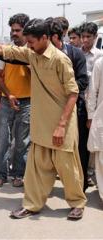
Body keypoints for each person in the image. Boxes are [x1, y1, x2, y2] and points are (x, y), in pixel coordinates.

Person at [0, 18, 87, 220]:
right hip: (41, 124)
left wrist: (62, 125)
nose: (28, 45)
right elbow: (4, 50)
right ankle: (32, 204)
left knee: (67, 168)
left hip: (60, 125)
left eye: (32, 42)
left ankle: (77, 203)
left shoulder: (61, 60)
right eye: (27, 42)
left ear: (45, 38)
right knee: (36, 169)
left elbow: (73, 93)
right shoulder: (31, 54)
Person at [47, 18, 89, 192]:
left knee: (77, 149)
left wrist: (65, 91)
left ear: (58, 36)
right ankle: (47, 187)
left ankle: (80, 187)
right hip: (49, 110)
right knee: (50, 149)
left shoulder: (74, 54)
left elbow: (83, 81)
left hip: (73, 109)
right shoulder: (41, 56)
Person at [0, 13, 31, 188]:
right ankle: (1, 174)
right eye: (12, 30)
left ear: (26, 31)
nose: (14, 33)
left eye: (18, 30)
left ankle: (18, 174)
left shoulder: (32, 52)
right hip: (8, 101)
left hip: (28, 102)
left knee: (22, 141)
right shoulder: (5, 51)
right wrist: (9, 95)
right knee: (2, 139)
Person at [80, 22, 103, 186]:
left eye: (89, 37)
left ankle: (91, 174)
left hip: (95, 105)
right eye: (83, 36)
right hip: (81, 104)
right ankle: (82, 177)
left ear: (95, 37)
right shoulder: (77, 54)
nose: (85, 40)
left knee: (96, 145)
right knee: (83, 142)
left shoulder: (99, 57)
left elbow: (94, 89)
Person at [87, 57, 103, 201]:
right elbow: (93, 91)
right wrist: (90, 116)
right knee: (101, 159)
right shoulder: (100, 63)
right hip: (101, 117)